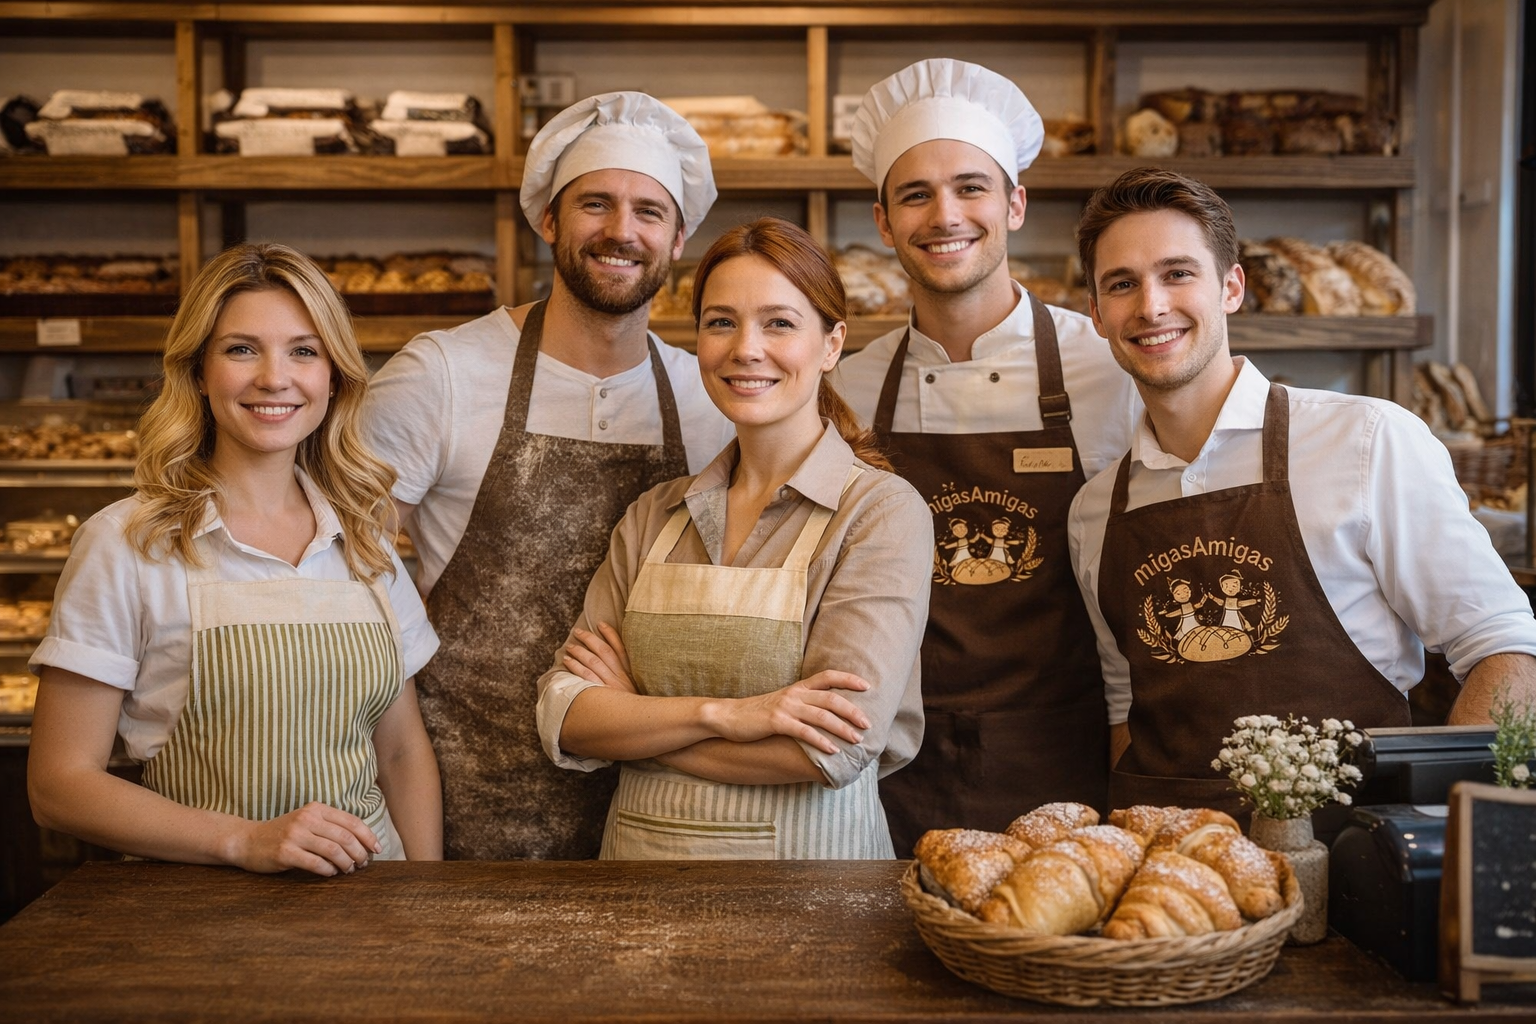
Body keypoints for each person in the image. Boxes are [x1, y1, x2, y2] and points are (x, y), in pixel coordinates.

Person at [1067, 167, 1536, 817]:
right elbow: (1126, 704)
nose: (1151, 306)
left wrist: (1458, 830)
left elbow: (1504, 647)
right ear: (1095, 314)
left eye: (1178, 273)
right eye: (1122, 284)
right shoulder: (1095, 509)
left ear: (1231, 287)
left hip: (1356, 871)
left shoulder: (1368, 441)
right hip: (1171, 880)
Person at [361, 92, 735, 860]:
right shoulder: (444, 374)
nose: (621, 231)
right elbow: (340, 570)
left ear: (680, 238)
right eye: (595, 203)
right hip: (460, 800)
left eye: (648, 211)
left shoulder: (709, 400)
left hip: (655, 807)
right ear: (549, 220)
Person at [28, 243, 442, 875]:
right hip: (200, 916)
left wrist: (424, 895)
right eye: (241, 349)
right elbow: (58, 785)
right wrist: (244, 841)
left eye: (304, 351)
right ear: (198, 371)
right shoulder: (126, 544)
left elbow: (401, 754)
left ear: (334, 377)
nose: (274, 378)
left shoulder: (365, 544)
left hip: (372, 908)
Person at [534, 218, 931, 859]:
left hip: (809, 894)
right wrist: (730, 716)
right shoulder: (655, 515)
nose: (746, 348)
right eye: (721, 322)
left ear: (831, 345)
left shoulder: (880, 513)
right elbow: (566, 714)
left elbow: (834, 746)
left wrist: (636, 715)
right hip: (638, 887)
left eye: (779, 323)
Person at [833, 58, 1140, 849]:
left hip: (1065, 756)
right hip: (896, 764)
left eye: (971, 187)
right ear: (882, 219)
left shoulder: (1111, 370)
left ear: (1014, 204)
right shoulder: (850, 389)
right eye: (915, 194)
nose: (945, 215)